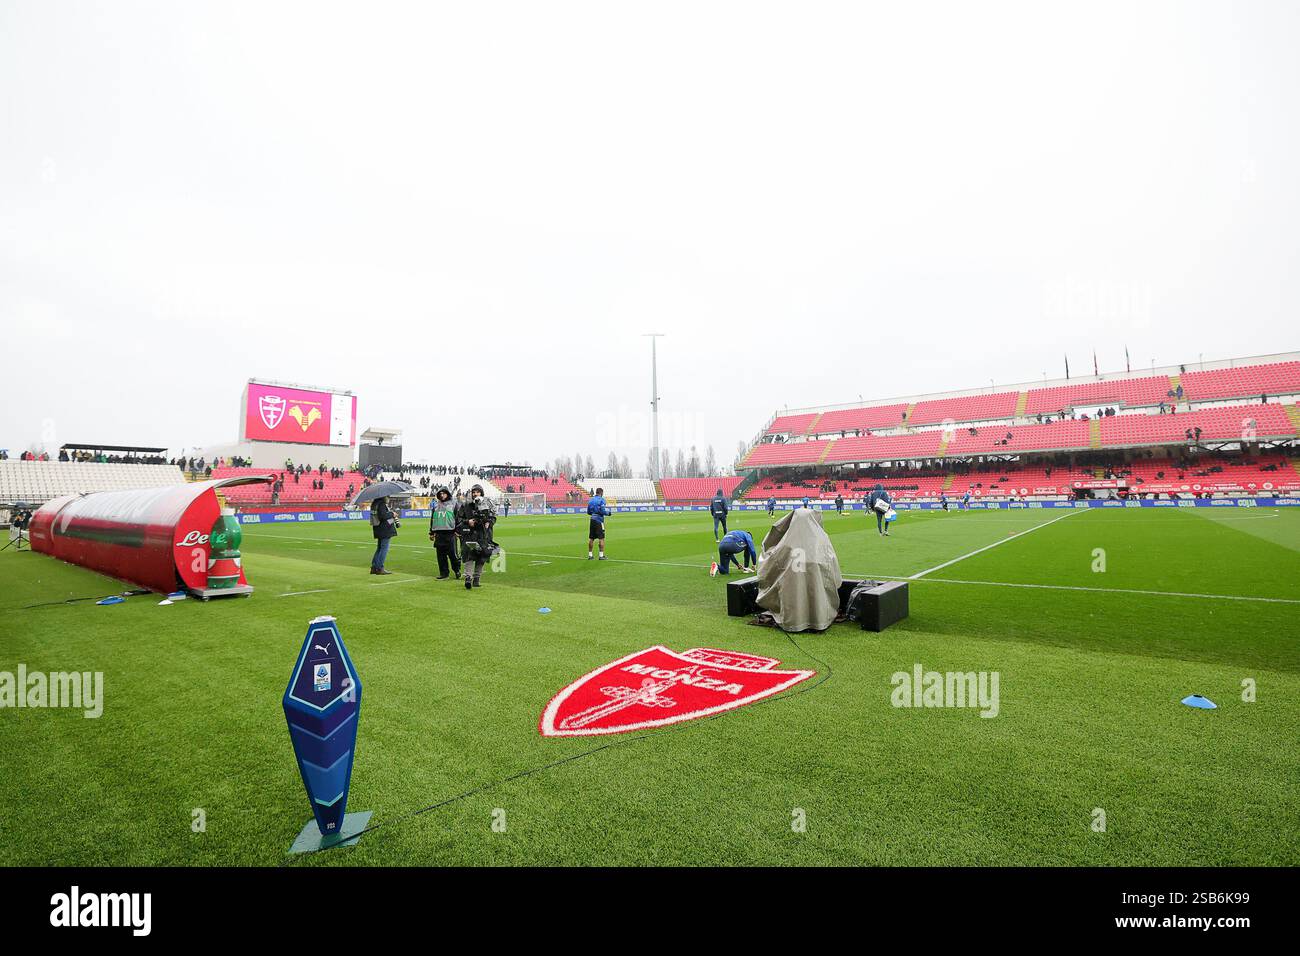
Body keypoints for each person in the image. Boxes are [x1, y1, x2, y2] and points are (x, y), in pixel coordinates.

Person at [456, 484, 497, 589]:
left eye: (477, 492)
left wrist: (489, 522)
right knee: (470, 555)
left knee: (482, 556)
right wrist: (468, 521)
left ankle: (477, 579)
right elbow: (459, 519)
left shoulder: (488, 504)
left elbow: (493, 517)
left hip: (484, 534)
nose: (475, 494)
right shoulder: (466, 505)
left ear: (481, 493)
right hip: (470, 534)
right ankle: (468, 578)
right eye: (474, 492)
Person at [428, 487, 461, 580]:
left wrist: (457, 531)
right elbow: (433, 519)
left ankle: (457, 570)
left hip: (451, 533)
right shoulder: (435, 506)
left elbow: (458, 518)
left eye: (444, 493)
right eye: (440, 494)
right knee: (441, 556)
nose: (442, 495)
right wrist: (431, 532)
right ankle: (444, 573)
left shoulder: (454, 504)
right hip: (439, 534)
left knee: (453, 555)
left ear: (447, 493)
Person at [369, 495, 399, 574]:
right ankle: (379, 568)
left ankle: (374, 567)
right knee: (384, 549)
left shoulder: (374, 503)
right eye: (387, 497)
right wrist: (392, 514)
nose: (388, 498)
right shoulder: (381, 504)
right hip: (384, 529)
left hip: (378, 528)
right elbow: (383, 516)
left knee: (379, 548)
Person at [587, 486, 611, 560]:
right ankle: (601, 556)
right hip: (599, 521)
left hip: (592, 520)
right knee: (601, 538)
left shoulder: (591, 500)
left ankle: (590, 555)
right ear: (601, 493)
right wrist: (608, 513)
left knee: (591, 538)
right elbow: (602, 511)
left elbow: (588, 512)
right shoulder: (602, 500)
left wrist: (594, 514)